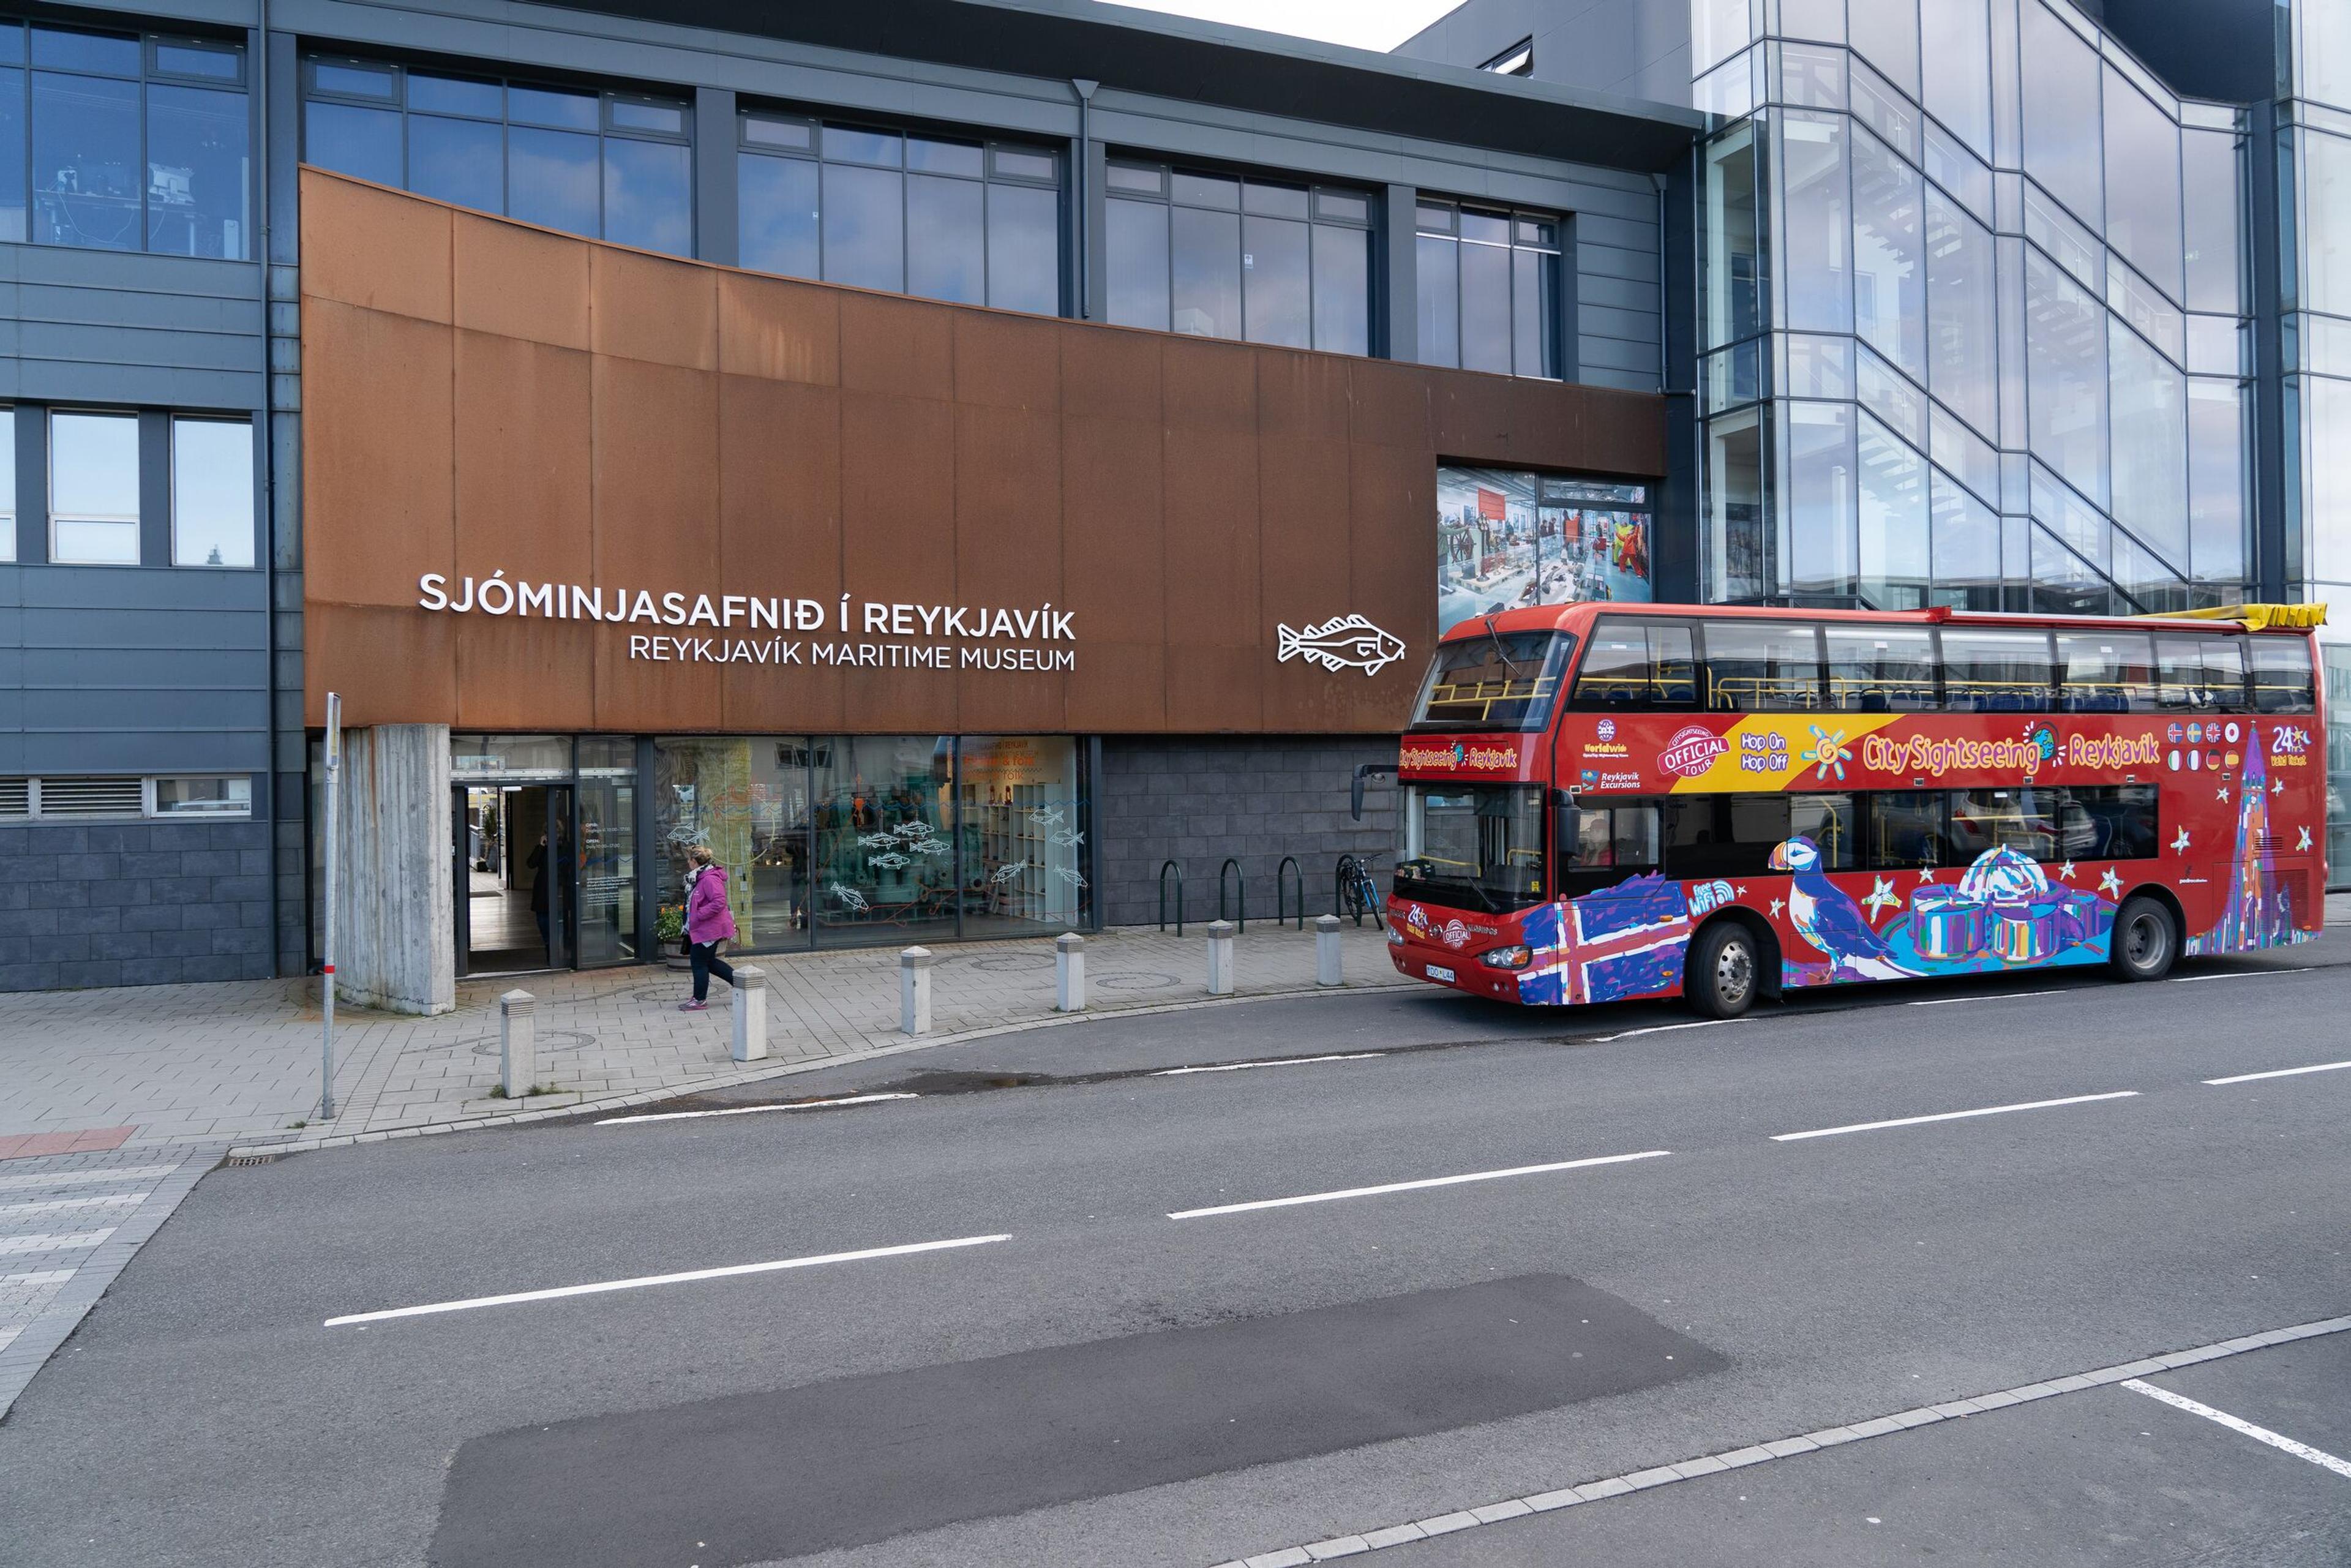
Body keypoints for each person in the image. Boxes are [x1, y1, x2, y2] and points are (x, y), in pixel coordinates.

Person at [680, 845, 738, 1012]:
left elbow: (719, 902)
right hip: (703, 928)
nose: (688, 863)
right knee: (708, 961)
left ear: (695, 861)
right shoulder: (699, 876)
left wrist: (698, 915)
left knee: (698, 962)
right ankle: (742, 984)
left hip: (709, 929)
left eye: (689, 859)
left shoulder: (709, 878)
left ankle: (699, 1000)